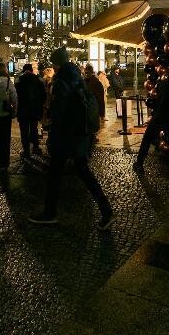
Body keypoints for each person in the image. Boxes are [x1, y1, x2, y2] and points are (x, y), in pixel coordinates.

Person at [30, 48, 113, 229]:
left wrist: (51, 134)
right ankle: (106, 210)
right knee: (82, 171)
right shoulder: (78, 78)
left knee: (55, 174)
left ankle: (50, 213)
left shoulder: (61, 81)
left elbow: (60, 112)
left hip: (66, 136)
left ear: (56, 64)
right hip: (80, 133)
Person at [14, 63, 46, 160]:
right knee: (34, 128)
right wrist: (40, 105)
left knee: (24, 130)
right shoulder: (38, 80)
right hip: (35, 109)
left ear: (24, 70)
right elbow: (44, 95)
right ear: (31, 70)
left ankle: (26, 150)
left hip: (23, 110)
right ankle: (35, 147)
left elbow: (15, 97)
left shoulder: (19, 81)